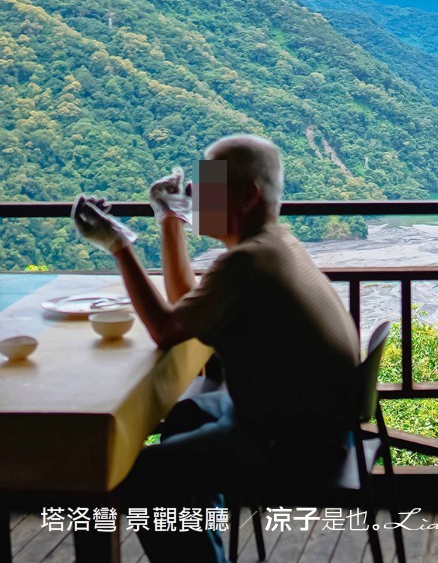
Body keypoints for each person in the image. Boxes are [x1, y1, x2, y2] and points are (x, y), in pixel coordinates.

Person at [72, 134, 359, 563]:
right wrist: (170, 221)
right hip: (317, 426)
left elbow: (166, 329)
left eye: (206, 186)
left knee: (146, 481)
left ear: (247, 196)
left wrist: (119, 245)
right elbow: (187, 307)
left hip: (290, 444)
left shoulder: (244, 262)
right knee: (184, 416)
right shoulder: (275, 245)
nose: (195, 194)